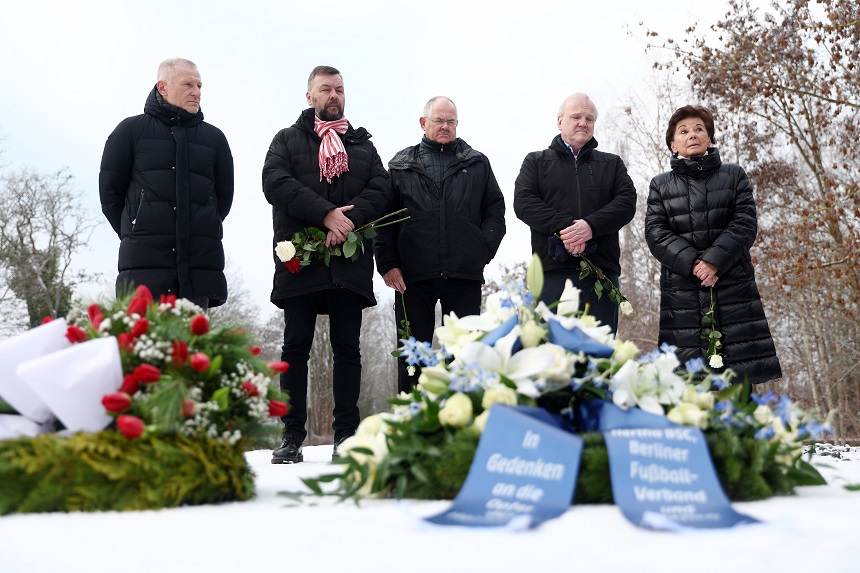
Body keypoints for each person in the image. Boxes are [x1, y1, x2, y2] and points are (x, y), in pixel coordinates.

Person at [262, 66, 388, 463]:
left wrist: (347, 220)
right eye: (325, 89)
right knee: (295, 348)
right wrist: (325, 214)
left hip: (348, 265)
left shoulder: (364, 146)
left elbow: (382, 189)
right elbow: (275, 182)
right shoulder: (286, 139)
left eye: (339, 90)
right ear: (310, 96)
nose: (333, 95)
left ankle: (346, 436)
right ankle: (291, 436)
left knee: (347, 349)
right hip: (300, 260)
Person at [374, 96, 506, 393]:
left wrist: (482, 250)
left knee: (464, 355)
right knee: (412, 356)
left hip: (464, 275)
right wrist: (387, 264)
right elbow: (383, 220)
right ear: (424, 123)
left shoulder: (477, 163)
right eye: (439, 121)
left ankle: (461, 427)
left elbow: (495, 210)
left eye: (451, 121)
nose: (445, 126)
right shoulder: (400, 165)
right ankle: (411, 422)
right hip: (411, 278)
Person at [645, 105, 782, 384]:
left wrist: (714, 262)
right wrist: (694, 264)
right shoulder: (660, 185)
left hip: (733, 286)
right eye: (683, 131)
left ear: (710, 139)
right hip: (682, 292)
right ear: (673, 144)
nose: (692, 135)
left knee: (740, 382)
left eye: (699, 129)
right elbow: (656, 232)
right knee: (690, 385)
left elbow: (745, 223)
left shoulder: (733, 175)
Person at [99, 58, 234, 309]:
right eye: (188, 85)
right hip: (143, 273)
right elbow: (110, 195)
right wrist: (136, 228)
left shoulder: (215, 139)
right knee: (143, 348)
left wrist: (199, 225)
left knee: (191, 349)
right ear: (163, 87)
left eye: (200, 86)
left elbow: (222, 201)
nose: (197, 92)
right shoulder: (129, 131)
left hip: (198, 272)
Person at [513, 93, 636, 332]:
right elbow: (524, 202)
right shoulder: (536, 162)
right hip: (551, 273)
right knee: (551, 354)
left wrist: (590, 227)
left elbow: (626, 202)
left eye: (589, 118)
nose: (583, 122)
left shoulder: (612, 164)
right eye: (576, 116)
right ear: (560, 122)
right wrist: (567, 227)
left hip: (601, 273)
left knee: (598, 353)